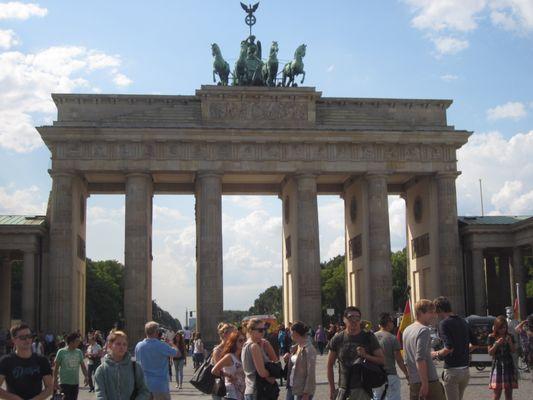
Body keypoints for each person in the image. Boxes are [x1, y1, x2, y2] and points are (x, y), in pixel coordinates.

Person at [327, 306, 385, 400]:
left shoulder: (369, 337)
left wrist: (366, 355)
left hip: (363, 389)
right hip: (343, 389)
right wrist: (332, 389)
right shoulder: (337, 338)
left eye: (357, 318)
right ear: (344, 319)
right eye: (351, 317)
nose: (354, 320)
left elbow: (382, 360)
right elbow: (329, 364)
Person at [430, 296, 476, 400]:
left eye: (436, 312)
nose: (436, 315)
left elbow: (449, 348)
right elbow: (475, 343)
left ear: (440, 310)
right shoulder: (464, 321)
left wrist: (435, 354)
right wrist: (463, 350)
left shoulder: (444, 324)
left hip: (452, 371)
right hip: (465, 371)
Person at [402, 299, 445, 400]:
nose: (434, 315)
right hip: (428, 381)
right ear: (421, 313)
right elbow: (420, 358)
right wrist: (425, 384)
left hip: (414, 381)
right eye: (431, 312)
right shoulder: (423, 330)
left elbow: (406, 359)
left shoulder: (407, 330)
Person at [0, 323, 53, 399]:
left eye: (29, 336)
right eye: (22, 337)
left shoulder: (42, 360)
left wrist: (36, 399)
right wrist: (14, 398)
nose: (27, 340)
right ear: (13, 340)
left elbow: (49, 388)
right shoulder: (6, 361)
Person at [94, 330, 150, 399]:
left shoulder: (135, 367)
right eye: (118, 344)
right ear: (110, 345)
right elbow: (100, 394)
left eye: (124, 344)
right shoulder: (102, 370)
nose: (122, 347)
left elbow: (144, 391)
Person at [135, 321, 178, 400]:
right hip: (160, 385)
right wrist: (171, 343)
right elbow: (177, 353)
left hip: (144, 385)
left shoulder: (139, 346)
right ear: (157, 332)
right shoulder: (162, 345)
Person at [372, 313, 408, 400]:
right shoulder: (392, 338)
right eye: (392, 321)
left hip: (375, 375)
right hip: (390, 374)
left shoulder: (372, 337)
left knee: (377, 397)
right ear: (388, 323)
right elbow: (399, 360)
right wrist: (406, 374)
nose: (393, 324)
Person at [242, 318, 277, 400]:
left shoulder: (246, 345)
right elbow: (262, 373)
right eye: (260, 330)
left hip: (250, 389)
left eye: (264, 329)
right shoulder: (254, 346)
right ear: (251, 330)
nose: (263, 332)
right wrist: (271, 376)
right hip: (258, 390)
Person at [284, 321, 316, 400]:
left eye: (290, 331)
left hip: (302, 390)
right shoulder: (296, 347)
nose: (289, 334)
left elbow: (311, 373)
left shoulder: (309, 349)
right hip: (291, 386)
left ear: (295, 332)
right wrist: (288, 359)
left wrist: (306, 393)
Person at [488, 316, 517, 400]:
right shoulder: (491, 336)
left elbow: (513, 350)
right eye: (500, 328)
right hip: (497, 366)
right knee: (497, 393)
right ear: (496, 327)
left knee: (508, 393)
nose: (502, 330)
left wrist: (510, 342)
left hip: (508, 365)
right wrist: (496, 344)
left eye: (504, 327)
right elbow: (490, 353)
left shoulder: (510, 336)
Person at [212, 330, 247, 400]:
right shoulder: (229, 357)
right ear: (234, 342)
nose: (243, 342)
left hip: (242, 393)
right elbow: (214, 370)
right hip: (231, 393)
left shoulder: (242, 356)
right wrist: (228, 375)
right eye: (240, 341)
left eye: (244, 340)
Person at [53, 332, 88, 400]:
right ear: (71, 342)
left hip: (75, 383)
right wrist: (55, 381)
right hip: (64, 383)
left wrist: (86, 376)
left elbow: (83, 366)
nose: (79, 343)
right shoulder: (61, 352)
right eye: (77, 341)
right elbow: (56, 368)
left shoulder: (79, 352)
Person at [515, 314, 533, 382]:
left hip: (527, 353)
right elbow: (516, 329)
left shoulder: (524, 332)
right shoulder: (525, 332)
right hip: (528, 354)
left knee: (531, 367)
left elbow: (516, 328)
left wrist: (524, 321)